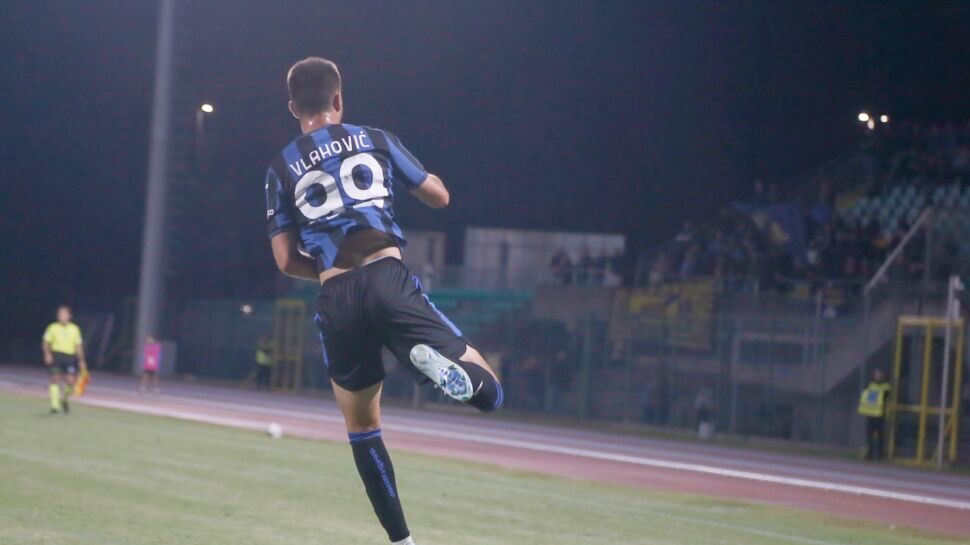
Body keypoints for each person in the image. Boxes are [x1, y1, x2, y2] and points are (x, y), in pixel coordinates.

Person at [264, 57, 503, 545]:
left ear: (293, 108)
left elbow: (285, 260)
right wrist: (424, 178)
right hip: (386, 277)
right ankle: (442, 368)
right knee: (490, 393)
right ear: (338, 99)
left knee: (363, 428)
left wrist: (327, 271)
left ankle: (401, 540)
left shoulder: (279, 168)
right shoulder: (375, 138)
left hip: (336, 296)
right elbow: (439, 197)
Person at [41, 305, 86, 414]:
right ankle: (54, 406)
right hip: (57, 355)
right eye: (60, 314)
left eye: (64, 314)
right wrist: (47, 354)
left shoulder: (75, 329)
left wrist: (81, 360)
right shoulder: (52, 327)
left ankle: (64, 399)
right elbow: (46, 342)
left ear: (69, 316)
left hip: (70, 357)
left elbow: (78, 346)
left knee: (71, 382)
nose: (62, 316)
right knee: (55, 378)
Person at [858, 368, 892, 460]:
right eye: (876, 374)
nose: (877, 376)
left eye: (879, 374)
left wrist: (874, 394)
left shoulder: (886, 386)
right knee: (869, 434)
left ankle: (879, 455)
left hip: (880, 414)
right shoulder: (870, 384)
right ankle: (870, 453)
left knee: (880, 435)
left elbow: (884, 396)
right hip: (870, 413)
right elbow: (866, 395)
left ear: (883, 376)